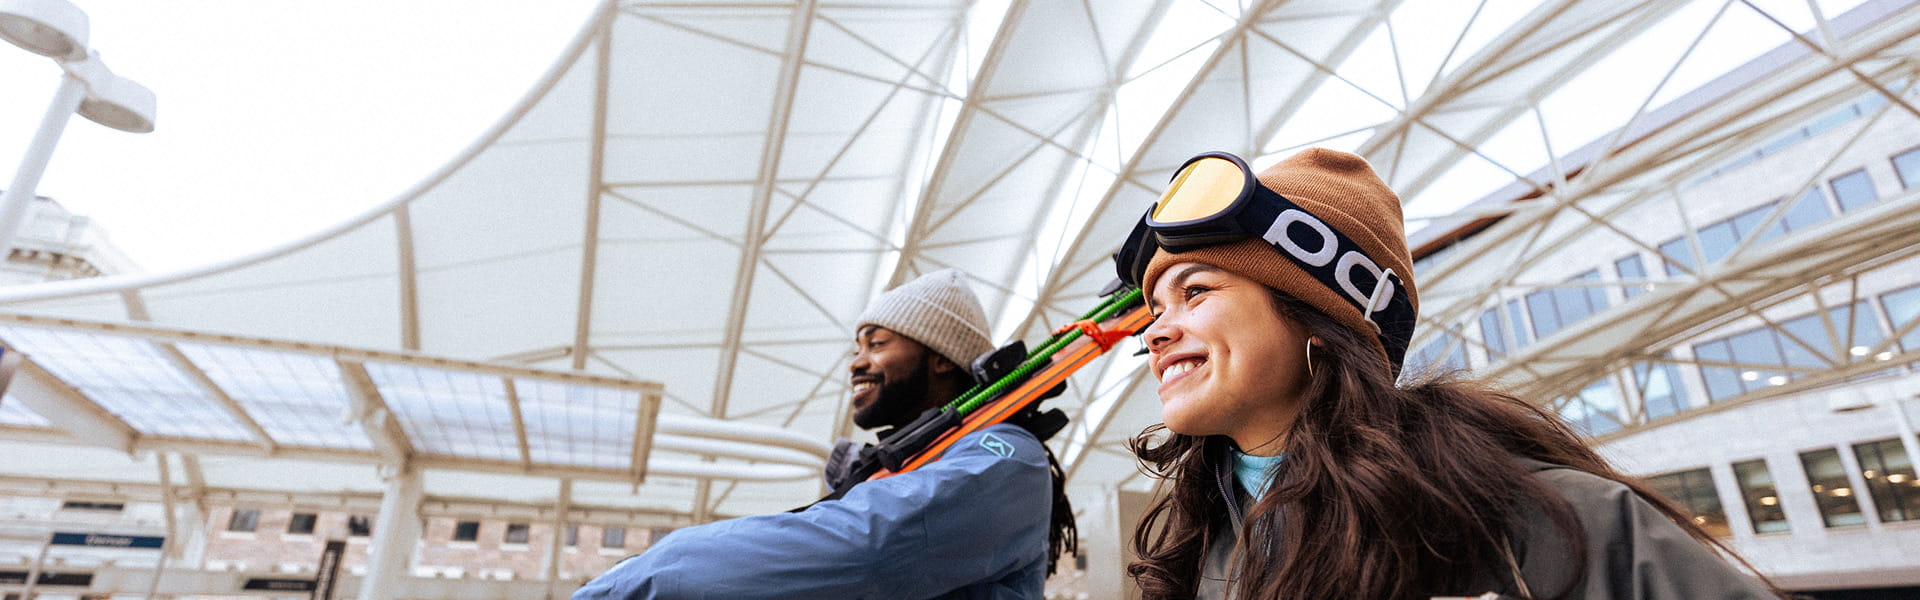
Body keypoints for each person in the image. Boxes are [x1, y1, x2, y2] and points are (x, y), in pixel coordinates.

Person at [1110, 148, 1782, 599]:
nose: (1156, 330)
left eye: (1196, 292)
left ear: (1319, 314)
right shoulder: (1194, 550)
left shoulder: (1546, 524)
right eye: (1155, 306)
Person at [574, 268, 1074, 600]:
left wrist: (640, 577)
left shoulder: (1006, 456)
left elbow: (870, 546)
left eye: (877, 343)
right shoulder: (922, 465)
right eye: (857, 347)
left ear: (942, 356)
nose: (857, 362)